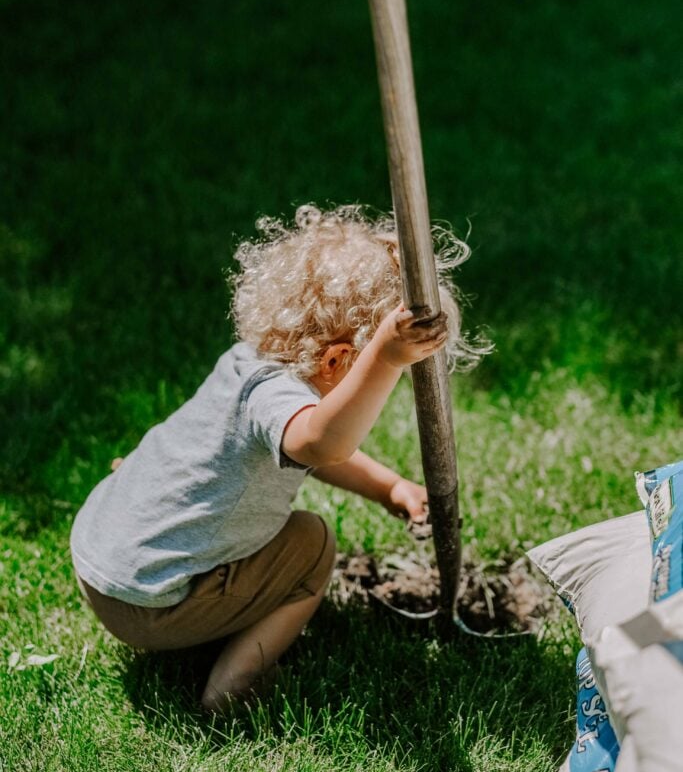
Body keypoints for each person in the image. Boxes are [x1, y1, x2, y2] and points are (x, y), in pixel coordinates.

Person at [70, 204, 487, 714]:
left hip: (100, 559)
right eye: (369, 371)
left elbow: (310, 452)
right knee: (311, 545)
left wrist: (388, 488)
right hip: (145, 605)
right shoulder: (280, 402)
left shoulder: (249, 361)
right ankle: (235, 688)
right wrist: (386, 356)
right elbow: (319, 445)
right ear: (336, 360)